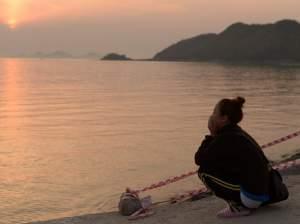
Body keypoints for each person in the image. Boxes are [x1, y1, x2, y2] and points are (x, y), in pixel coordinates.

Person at [194, 97, 271, 218]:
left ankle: (237, 206)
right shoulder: (238, 133)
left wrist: (211, 135)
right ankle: (244, 202)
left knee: (203, 172)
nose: (211, 116)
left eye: (214, 113)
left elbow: (199, 159)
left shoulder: (225, 137)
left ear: (224, 118)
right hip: (265, 193)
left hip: (253, 197)